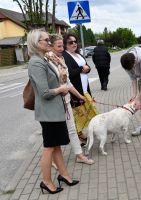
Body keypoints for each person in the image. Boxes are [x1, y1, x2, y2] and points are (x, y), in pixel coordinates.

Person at [27, 29, 79, 194]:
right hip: (48, 113)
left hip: (54, 110)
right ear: (36, 43)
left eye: (49, 39)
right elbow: (44, 93)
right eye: (45, 40)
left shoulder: (43, 59)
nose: (49, 42)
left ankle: (64, 175)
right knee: (49, 147)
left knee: (56, 146)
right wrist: (61, 89)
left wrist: (61, 89)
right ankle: (46, 181)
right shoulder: (36, 62)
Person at [46, 34, 94, 165]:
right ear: (50, 46)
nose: (62, 48)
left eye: (62, 45)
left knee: (72, 129)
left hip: (66, 100)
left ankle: (79, 155)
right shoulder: (47, 61)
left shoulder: (60, 59)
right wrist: (61, 90)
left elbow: (67, 82)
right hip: (54, 103)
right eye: (59, 46)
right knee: (56, 133)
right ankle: (53, 159)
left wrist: (79, 95)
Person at [62, 33, 98, 144]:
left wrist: (86, 69)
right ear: (65, 44)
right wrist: (82, 68)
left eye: (75, 41)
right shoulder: (65, 56)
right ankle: (80, 137)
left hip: (85, 89)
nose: (74, 44)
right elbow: (69, 73)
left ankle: (92, 132)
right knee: (79, 115)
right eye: (70, 42)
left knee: (91, 111)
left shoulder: (78, 55)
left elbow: (88, 67)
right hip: (76, 91)